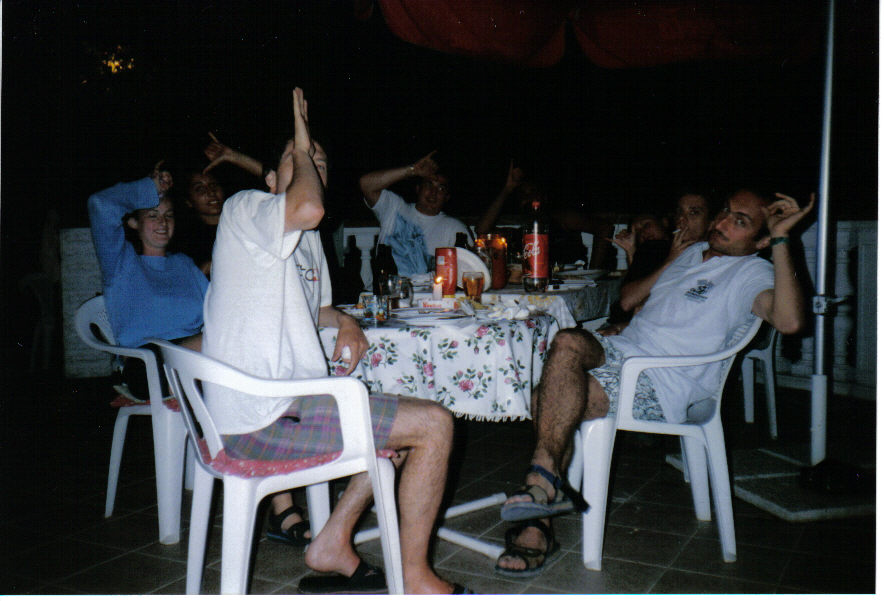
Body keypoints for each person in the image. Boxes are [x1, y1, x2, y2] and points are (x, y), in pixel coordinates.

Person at [202, 88, 468, 595]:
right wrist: (302, 148)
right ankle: (415, 579)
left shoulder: (306, 241)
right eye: (300, 158)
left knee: (396, 418)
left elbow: (315, 306)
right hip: (259, 417)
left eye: (319, 164)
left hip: (285, 404)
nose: (312, 166)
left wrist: (343, 319)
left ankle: (331, 542)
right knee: (434, 424)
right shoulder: (247, 209)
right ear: (271, 178)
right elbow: (305, 206)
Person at [494, 188, 814, 576]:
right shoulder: (693, 253)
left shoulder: (752, 273)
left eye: (740, 221)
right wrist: (626, 322)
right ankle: (543, 483)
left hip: (660, 381)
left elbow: (790, 321)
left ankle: (537, 517)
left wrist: (782, 239)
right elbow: (642, 304)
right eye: (725, 212)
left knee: (546, 398)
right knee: (566, 342)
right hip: (624, 351)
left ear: (761, 240)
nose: (722, 223)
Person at [87, 161, 207, 398]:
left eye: (168, 215)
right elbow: (99, 205)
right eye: (153, 215)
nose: (162, 222)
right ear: (134, 223)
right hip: (147, 364)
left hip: (195, 356)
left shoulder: (184, 264)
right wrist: (149, 188)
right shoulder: (121, 264)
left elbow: (218, 312)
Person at [358, 151, 472, 276]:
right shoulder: (395, 208)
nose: (433, 193)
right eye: (429, 184)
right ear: (418, 189)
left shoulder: (455, 228)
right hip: (388, 286)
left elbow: (471, 270)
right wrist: (412, 170)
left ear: (447, 197)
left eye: (441, 188)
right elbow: (366, 184)